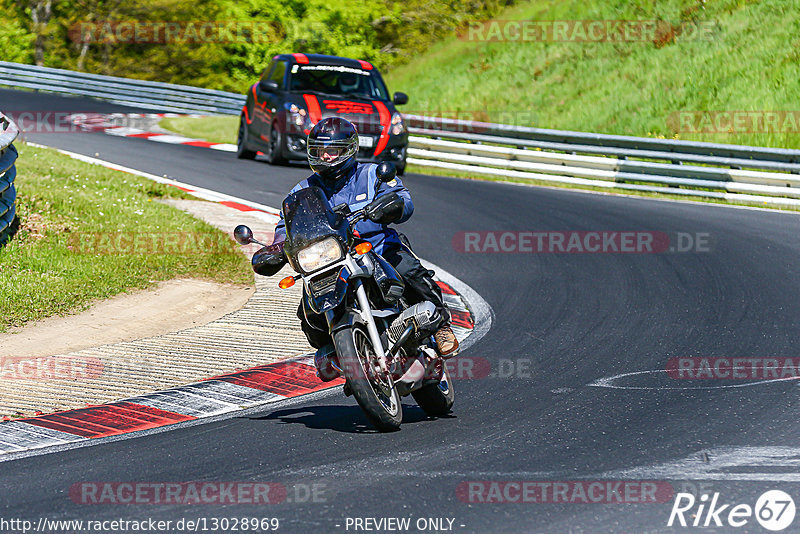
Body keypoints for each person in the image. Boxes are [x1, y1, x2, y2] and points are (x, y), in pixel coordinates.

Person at [252, 116, 459, 361]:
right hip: (329, 262)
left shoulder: (372, 174)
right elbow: (285, 225)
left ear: (349, 149)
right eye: (319, 150)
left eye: (332, 150)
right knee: (307, 311)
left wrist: (391, 206)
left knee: (411, 271)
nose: (325, 156)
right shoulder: (301, 191)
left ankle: (442, 325)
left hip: (377, 248)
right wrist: (277, 247)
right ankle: (332, 351)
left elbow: (402, 198)